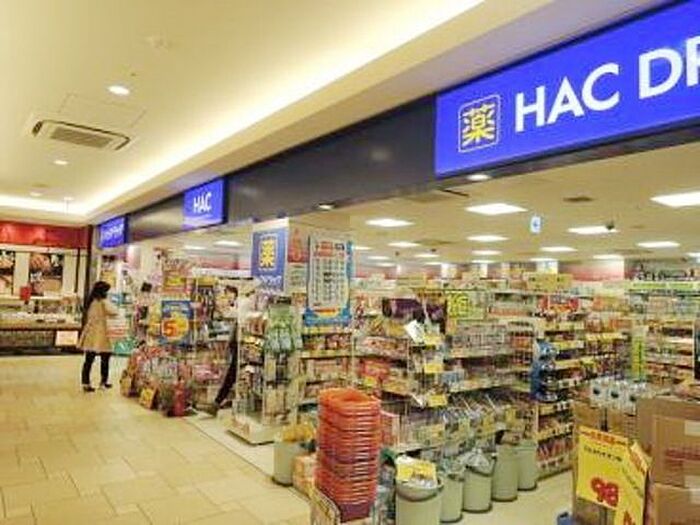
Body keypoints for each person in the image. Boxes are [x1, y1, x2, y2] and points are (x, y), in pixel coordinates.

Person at [78, 281, 118, 392]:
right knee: (105, 359)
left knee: (88, 360)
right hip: (102, 333)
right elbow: (114, 312)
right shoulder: (103, 302)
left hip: (90, 332)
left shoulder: (90, 301)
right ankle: (103, 382)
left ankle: (85, 383)